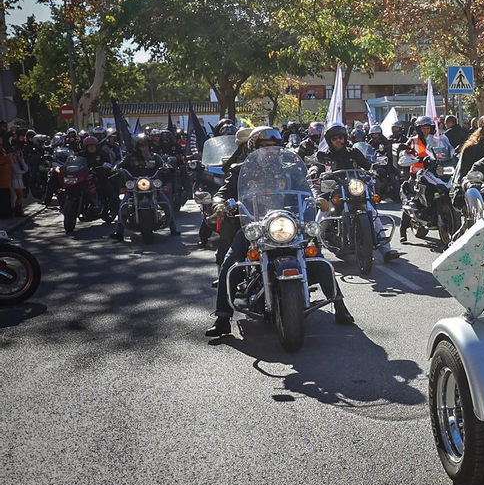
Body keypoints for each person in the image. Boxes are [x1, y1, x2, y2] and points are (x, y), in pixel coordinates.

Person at [208, 127, 354, 337]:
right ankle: (222, 317)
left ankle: (340, 307)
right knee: (231, 262)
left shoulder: (290, 168)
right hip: (256, 226)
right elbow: (223, 192)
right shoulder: (241, 169)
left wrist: (317, 196)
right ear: (254, 148)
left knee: (317, 257)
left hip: (287, 223)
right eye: (265, 147)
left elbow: (306, 185)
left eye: (274, 147)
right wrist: (219, 202)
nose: (270, 151)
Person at [313, 124, 400, 262]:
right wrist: (314, 170)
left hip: (353, 189)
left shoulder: (353, 152)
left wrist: (376, 168)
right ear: (329, 140)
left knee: (372, 212)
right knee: (321, 216)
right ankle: (314, 248)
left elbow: (367, 164)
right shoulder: (324, 155)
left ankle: (386, 250)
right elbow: (317, 165)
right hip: (334, 191)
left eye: (340, 137)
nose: (338, 141)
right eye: (334, 138)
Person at [107, 133, 176, 240]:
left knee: (166, 203)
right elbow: (120, 164)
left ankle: (173, 227)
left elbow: (162, 163)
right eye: (142, 146)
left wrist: (166, 166)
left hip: (152, 185)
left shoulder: (154, 156)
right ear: (137, 147)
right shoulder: (130, 157)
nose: (144, 148)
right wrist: (116, 168)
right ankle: (118, 231)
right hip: (134, 186)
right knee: (123, 206)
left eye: (146, 145)